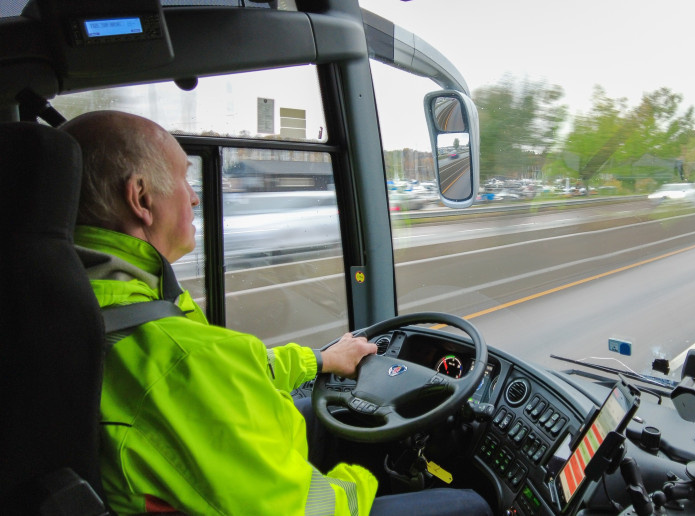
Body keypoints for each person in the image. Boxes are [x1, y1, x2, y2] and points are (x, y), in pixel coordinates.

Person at [63, 111, 491, 516]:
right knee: (468, 504)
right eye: (184, 179)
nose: (195, 198)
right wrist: (368, 475)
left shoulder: (86, 301)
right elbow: (307, 508)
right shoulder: (179, 354)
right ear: (140, 197)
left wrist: (321, 360)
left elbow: (227, 372)